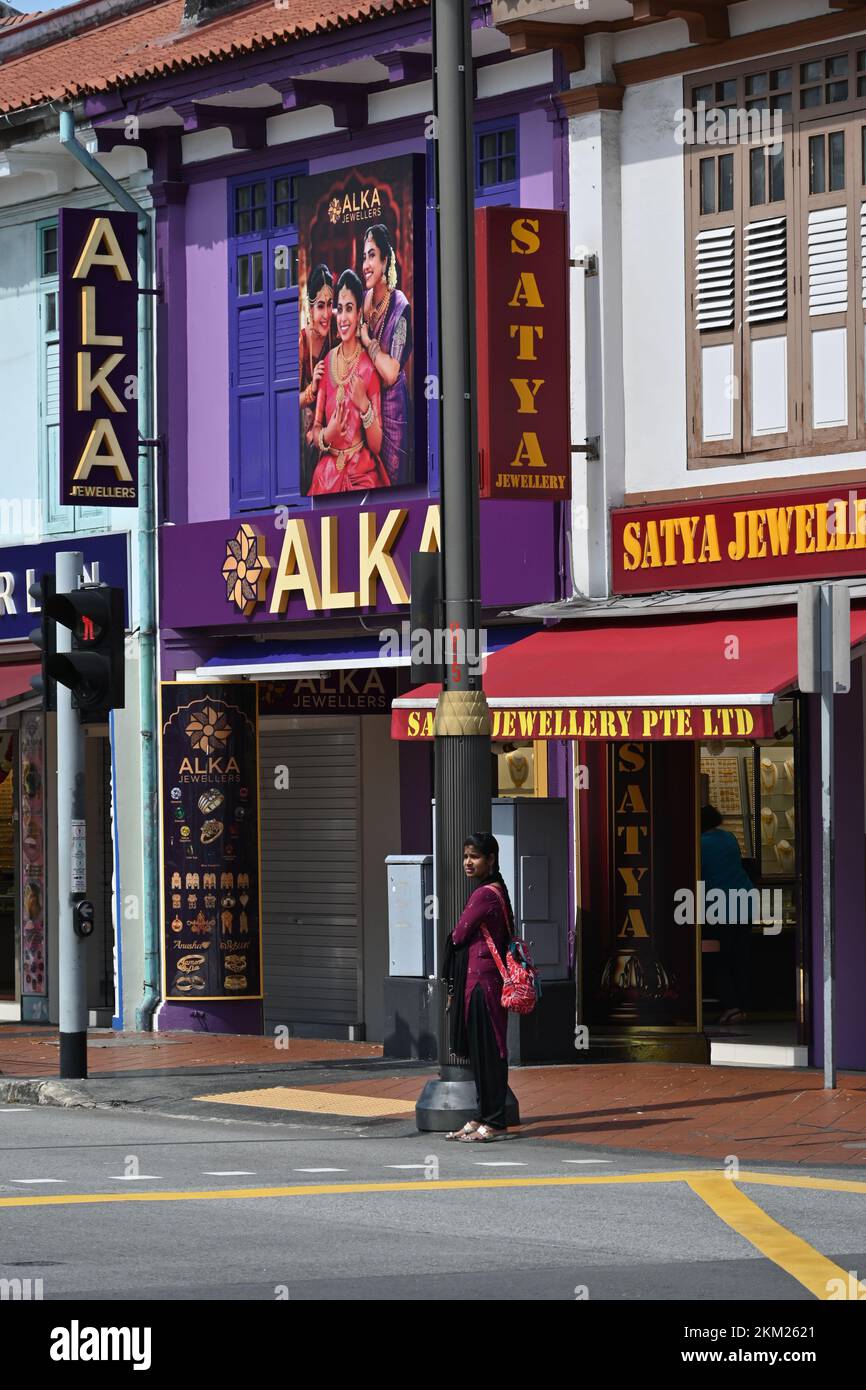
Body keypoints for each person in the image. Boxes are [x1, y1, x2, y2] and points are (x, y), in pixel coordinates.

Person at [443, 831, 515, 1143]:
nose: (467, 862)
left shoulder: (485, 894)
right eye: (466, 856)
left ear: (491, 859)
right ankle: (482, 1115)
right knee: (482, 1054)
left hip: (483, 985)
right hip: (481, 983)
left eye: (474, 857)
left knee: (490, 1053)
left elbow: (458, 936)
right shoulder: (496, 890)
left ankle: (495, 1120)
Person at [307, 268, 390, 495]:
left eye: (350, 309)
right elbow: (315, 428)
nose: (343, 318)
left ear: (359, 313)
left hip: (361, 473)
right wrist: (326, 434)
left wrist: (364, 406)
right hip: (327, 474)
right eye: (340, 309)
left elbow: (376, 445)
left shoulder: (368, 369)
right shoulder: (327, 362)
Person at [359, 223, 412, 485]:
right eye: (364, 256)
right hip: (368, 406)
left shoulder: (399, 305)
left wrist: (368, 341)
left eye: (371, 255)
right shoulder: (365, 300)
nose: (365, 264)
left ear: (385, 260)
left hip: (392, 412)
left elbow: (391, 372)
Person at [700, 803, 753, 1024]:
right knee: (739, 957)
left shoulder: (700, 844)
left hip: (719, 906)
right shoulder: (729, 837)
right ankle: (741, 1005)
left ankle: (731, 1006)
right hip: (745, 901)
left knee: (718, 958)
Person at [298, 263, 336, 490]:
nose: (325, 314)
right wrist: (312, 389)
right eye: (320, 306)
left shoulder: (336, 331)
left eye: (329, 305)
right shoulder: (302, 343)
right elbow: (291, 401)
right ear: (310, 308)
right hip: (308, 427)